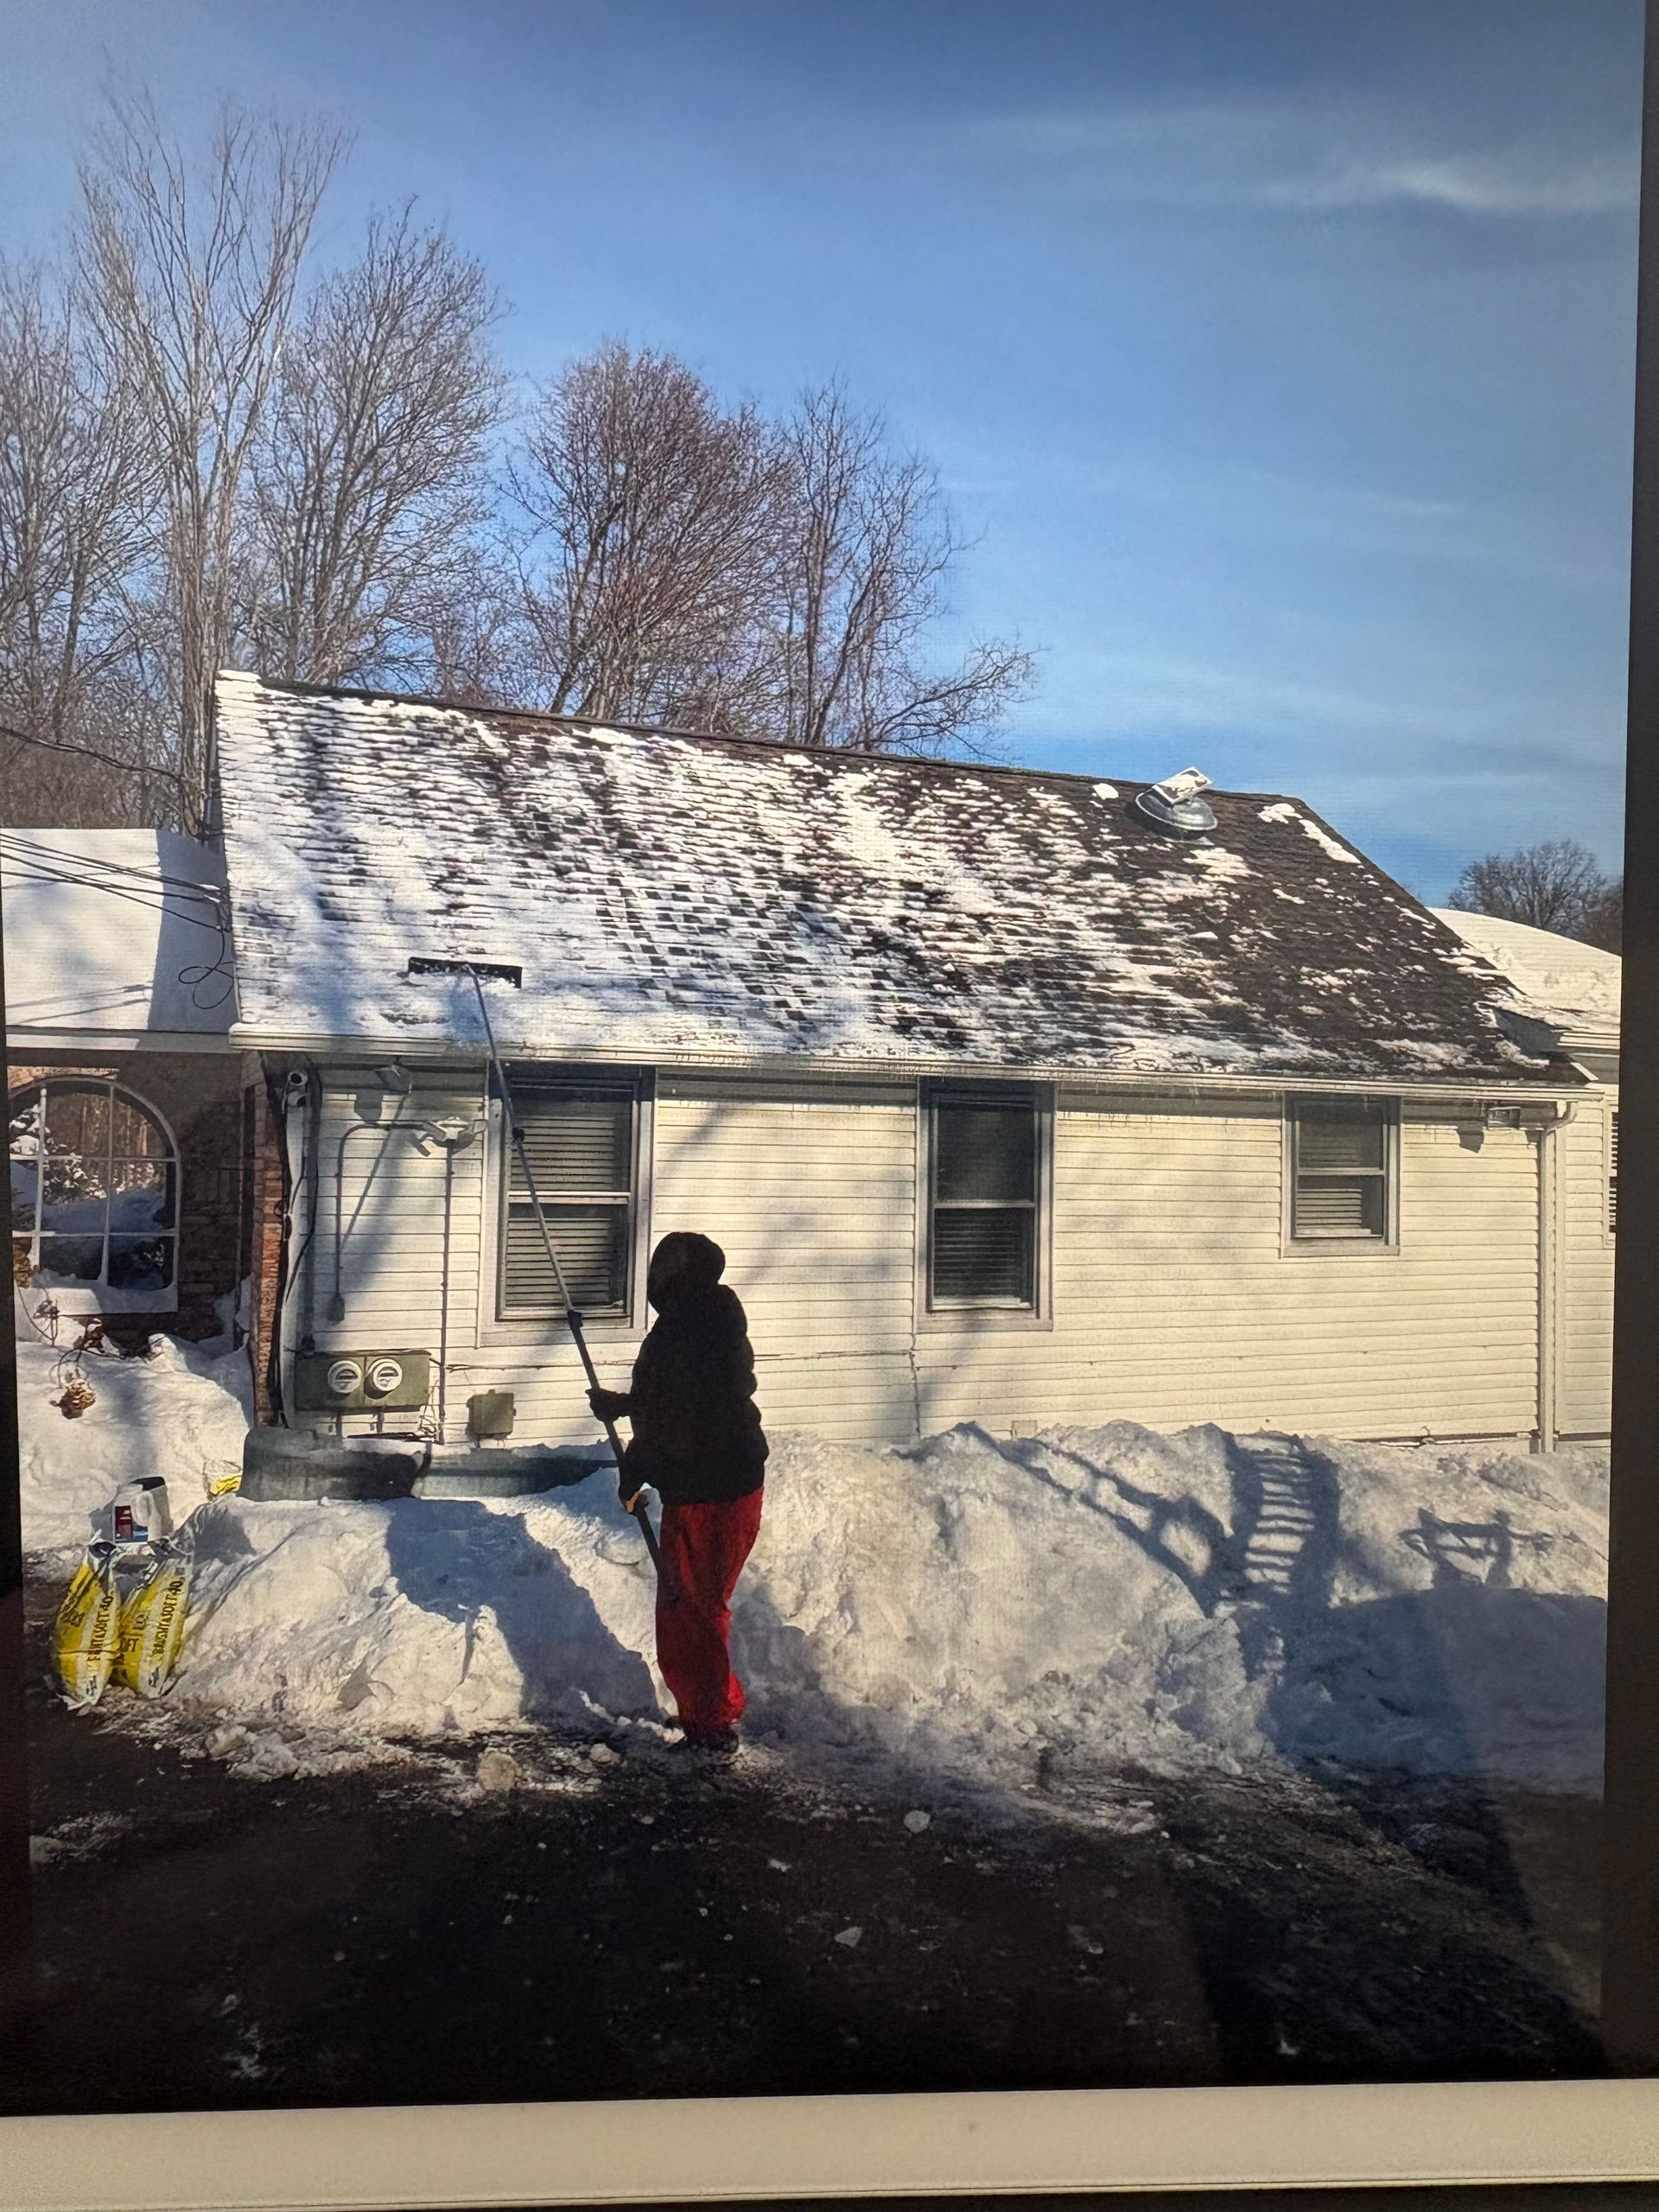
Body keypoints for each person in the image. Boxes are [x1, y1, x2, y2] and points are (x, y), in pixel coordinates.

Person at [588, 1230, 767, 1758]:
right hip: (714, 1482)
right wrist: (624, 1406)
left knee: (694, 1608)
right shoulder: (701, 1319)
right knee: (689, 1607)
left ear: (678, 1279)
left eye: (662, 1270)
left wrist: (634, 1470)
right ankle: (710, 1711)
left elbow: (682, 1418)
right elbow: (673, 1398)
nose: (653, 1280)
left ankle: (711, 1728)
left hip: (711, 1489)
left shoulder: (692, 1328)